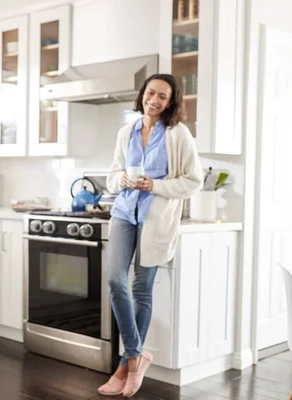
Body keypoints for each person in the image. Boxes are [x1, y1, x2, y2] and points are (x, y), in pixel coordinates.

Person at [97, 74, 203, 397]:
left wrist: (155, 186)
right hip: (124, 214)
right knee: (116, 280)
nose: (154, 100)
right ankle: (135, 356)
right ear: (142, 94)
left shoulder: (178, 134)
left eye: (162, 96)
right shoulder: (126, 132)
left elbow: (193, 180)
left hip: (156, 220)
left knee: (141, 289)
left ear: (171, 102)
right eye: (150, 92)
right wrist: (123, 182)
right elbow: (113, 174)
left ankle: (123, 367)